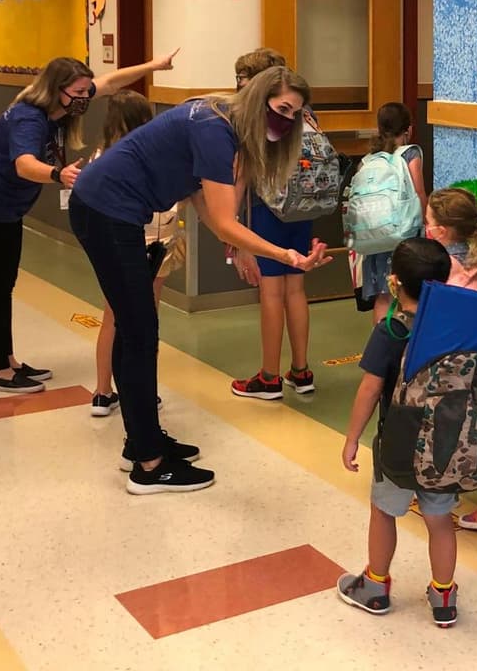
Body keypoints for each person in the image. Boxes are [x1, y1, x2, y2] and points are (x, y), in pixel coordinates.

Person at [70, 66, 331, 495]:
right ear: (260, 97)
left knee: (138, 329)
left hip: (109, 209)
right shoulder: (215, 128)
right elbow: (225, 221)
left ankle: (141, 443)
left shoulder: (219, 118)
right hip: (106, 210)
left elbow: (201, 201)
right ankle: (149, 466)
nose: (287, 120)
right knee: (138, 331)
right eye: (283, 109)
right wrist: (283, 255)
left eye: (295, 113)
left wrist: (243, 247)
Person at [0, 52, 177, 395]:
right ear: (58, 89)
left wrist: (153, 67)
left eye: (87, 91)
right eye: (79, 92)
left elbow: (111, 81)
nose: (86, 98)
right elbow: (24, 165)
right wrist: (59, 173)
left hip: (5, 210)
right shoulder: (30, 117)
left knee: (3, 283)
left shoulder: (62, 105)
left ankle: (7, 359)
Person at [338, 238, 460, 628]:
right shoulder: (456, 329)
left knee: (384, 511)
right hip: (445, 443)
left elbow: (370, 389)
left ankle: (375, 586)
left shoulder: (391, 330)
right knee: (439, 520)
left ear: (395, 282)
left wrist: (352, 437)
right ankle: (443, 596)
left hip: (398, 443)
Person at [89, 90, 184, 416]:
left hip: (111, 245)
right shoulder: (152, 154)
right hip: (154, 244)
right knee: (147, 320)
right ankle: (145, 390)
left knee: (112, 317)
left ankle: (103, 392)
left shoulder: (100, 157)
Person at [229, 48, 315, 400]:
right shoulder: (303, 112)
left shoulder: (255, 119)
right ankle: (301, 370)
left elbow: (239, 176)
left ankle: (268, 376)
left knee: (271, 291)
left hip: (265, 211)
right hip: (301, 209)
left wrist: (231, 231)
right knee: (295, 290)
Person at [423, 187, 477, 534]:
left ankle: (447, 494)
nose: (425, 227)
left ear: (441, 231)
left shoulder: (442, 266)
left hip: (451, 365)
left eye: (428, 222)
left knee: (448, 429)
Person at [358, 103, 427, 325]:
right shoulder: (410, 154)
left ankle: (381, 346)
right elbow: (419, 193)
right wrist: (426, 222)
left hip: (375, 237)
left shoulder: (369, 159)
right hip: (404, 236)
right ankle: (403, 347)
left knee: (383, 295)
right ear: (408, 130)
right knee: (406, 293)